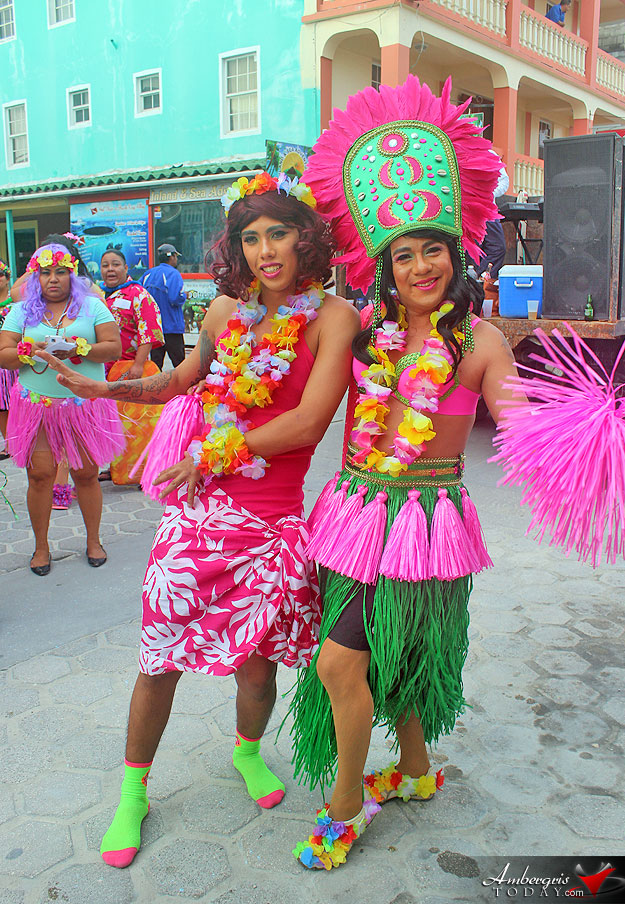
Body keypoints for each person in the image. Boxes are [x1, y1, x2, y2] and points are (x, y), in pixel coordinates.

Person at [35, 171, 359, 868]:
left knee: (257, 665)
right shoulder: (221, 315)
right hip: (198, 516)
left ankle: (246, 753)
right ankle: (133, 793)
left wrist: (218, 453)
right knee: (160, 661)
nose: (264, 250)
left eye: (277, 233)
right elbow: (179, 380)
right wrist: (108, 385)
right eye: (249, 237)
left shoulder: (335, 319)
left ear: (307, 240)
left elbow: (308, 421)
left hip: (273, 526)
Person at [288, 76, 523, 870]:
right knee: (395, 651)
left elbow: (522, 422)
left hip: (426, 522)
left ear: (457, 254)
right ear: (384, 267)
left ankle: (347, 804)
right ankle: (416, 772)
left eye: (434, 248)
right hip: (354, 509)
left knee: (342, 661)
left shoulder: (481, 342)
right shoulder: (364, 331)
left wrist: (580, 436)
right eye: (404, 253)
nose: (421, 265)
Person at [0, 243, 124, 575]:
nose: (52, 279)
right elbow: (3, 353)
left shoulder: (93, 307)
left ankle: (93, 541)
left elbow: (114, 346)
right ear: (35, 276)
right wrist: (30, 350)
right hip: (36, 408)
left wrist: (79, 349)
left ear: (72, 274)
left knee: (86, 473)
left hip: (83, 407)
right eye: (45, 272)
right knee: (39, 476)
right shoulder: (21, 311)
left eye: (60, 272)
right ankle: (41, 548)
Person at [99, 249, 164, 484]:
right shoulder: (100, 296)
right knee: (111, 423)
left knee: (136, 424)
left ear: (126, 269)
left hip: (130, 368)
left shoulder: (138, 293)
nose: (110, 270)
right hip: (104, 371)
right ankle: (116, 468)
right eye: (105, 265)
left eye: (115, 264)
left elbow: (149, 329)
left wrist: (138, 364)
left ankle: (141, 472)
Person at [141, 243, 187, 370]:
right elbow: (175, 298)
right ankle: (182, 389)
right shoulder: (173, 274)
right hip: (172, 328)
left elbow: (139, 297)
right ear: (171, 257)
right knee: (180, 365)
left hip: (155, 329)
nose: (176, 259)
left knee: (155, 365)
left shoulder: (148, 274)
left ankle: (156, 389)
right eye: (176, 256)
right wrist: (184, 296)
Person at [0, 258, 16, 460]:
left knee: (14, 404)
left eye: (0, 274)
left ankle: (20, 440)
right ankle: (9, 443)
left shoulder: (15, 304)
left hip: (13, 362)